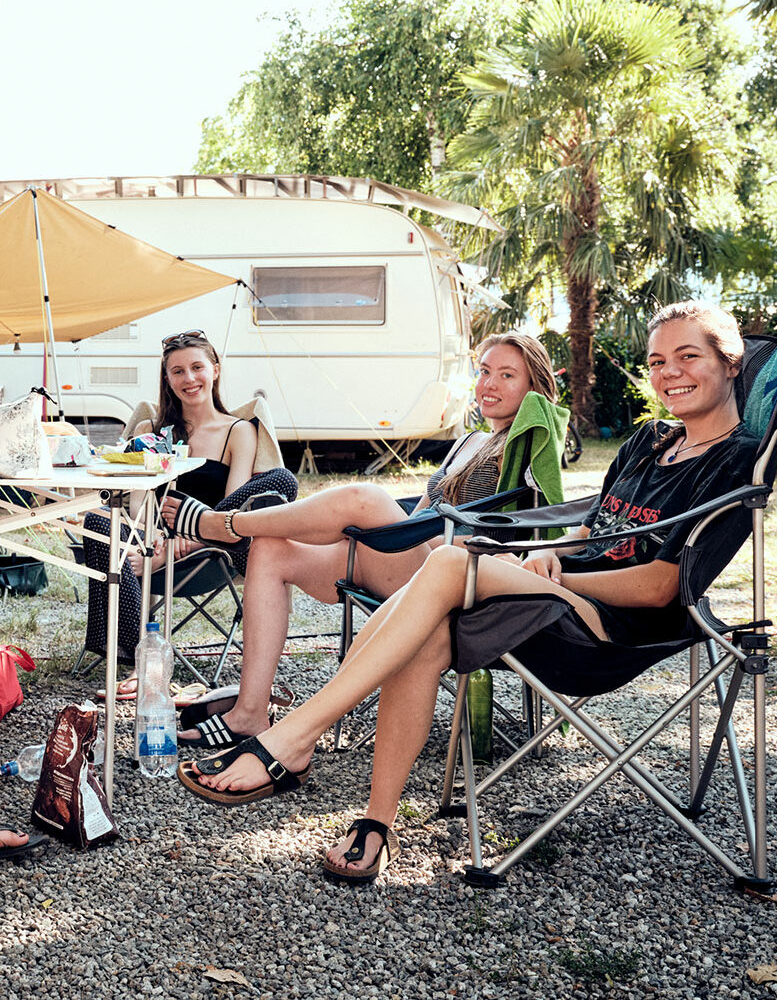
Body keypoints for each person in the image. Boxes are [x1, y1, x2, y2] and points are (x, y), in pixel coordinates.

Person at [175, 301, 762, 884]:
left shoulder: (737, 462)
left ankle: (294, 737)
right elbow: (592, 525)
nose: (669, 374)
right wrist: (549, 554)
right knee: (427, 627)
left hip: (611, 625)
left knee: (454, 561)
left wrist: (556, 574)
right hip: (556, 594)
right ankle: (377, 821)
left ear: (731, 364)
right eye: (658, 361)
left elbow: (663, 586)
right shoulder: (649, 442)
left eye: (689, 357)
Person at [161, 332, 564, 749]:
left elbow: (550, 513)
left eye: (507, 375)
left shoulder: (529, 440)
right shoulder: (468, 440)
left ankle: (224, 524)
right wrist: (376, 533)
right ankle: (250, 713)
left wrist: (551, 548)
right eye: (483, 371)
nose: (489, 384)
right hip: (413, 555)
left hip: (456, 576)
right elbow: (421, 512)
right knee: (271, 549)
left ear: (533, 387)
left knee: (364, 497)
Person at [82, 329, 298, 691]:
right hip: (150, 544)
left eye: (197, 367)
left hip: (210, 543)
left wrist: (191, 539)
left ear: (215, 369)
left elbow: (235, 504)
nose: (189, 378)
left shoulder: (239, 431)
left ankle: (168, 555)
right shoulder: (153, 430)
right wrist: (151, 543)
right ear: (167, 380)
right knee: (96, 522)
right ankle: (142, 662)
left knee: (278, 483)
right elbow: (139, 502)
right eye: (177, 371)